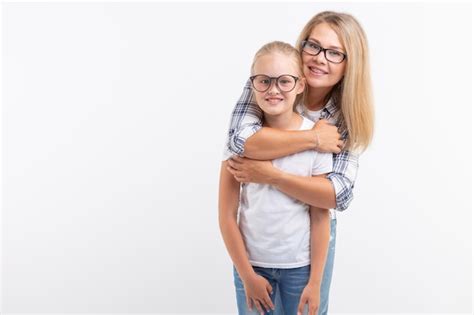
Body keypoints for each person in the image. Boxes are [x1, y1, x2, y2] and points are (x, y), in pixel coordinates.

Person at [224, 11, 374, 315]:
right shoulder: (272, 81)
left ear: (349, 64)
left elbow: (335, 195)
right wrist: (314, 139)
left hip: (305, 249)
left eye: (334, 53)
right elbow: (240, 142)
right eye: (314, 46)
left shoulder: (344, 117)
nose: (320, 58)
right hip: (256, 250)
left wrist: (270, 175)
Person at [219, 41, 334, 315]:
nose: (273, 90)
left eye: (284, 81)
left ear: (300, 85)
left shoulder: (318, 137)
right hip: (253, 266)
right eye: (264, 81)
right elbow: (226, 214)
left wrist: (315, 282)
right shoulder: (240, 141)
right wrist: (247, 275)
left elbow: (320, 216)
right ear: (252, 84)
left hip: (300, 268)